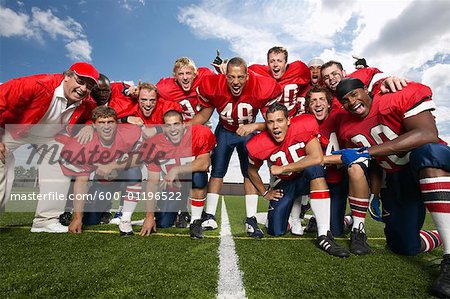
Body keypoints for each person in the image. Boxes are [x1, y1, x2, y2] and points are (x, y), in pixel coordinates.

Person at [334, 78, 449, 296]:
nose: (352, 102)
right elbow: (376, 164)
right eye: (345, 101)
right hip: (397, 179)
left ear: (366, 90)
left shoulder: (393, 97)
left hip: (434, 164)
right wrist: (375, 194)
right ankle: (443, 234)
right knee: (404, 246)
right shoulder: (348, 127)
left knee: (426, 153)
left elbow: (427, 134)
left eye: (355, 94)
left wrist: (369, 151)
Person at [0, 62, 98, 233]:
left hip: (49, 137)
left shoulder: (87, 102)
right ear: (67, 76)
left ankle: (45, 221)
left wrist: (89, 125)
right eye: (80, 81)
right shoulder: (36, 84)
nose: (83, 89)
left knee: (62, 161)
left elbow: (92, 115)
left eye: (88, 86)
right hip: (15, 129)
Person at [190, 57, 282, 237]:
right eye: (231, 77)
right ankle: (209, 216)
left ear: (247, 76)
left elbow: (274, 123)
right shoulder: (213, 85)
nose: (236, 82)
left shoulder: (261, 86)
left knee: (248, 172)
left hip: (247, 132)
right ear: (225, 76)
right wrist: (181, 129)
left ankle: (251, 218)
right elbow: (204, 115)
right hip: (224, 131)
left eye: (240, 77)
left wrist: (254, 126)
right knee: (217, 172)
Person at [246, 103, 350, 257]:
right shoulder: (258, 143)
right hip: (285, 185)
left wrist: (284, 168)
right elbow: (251, 170)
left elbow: (316, 157)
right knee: (275, 230)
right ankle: (291, 212)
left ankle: (323, 234)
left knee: (314, 167)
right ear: (266, 124)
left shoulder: (303, 127)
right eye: (270, 122)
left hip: (305, 179)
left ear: (288, 121)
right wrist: (265, 192)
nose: (275, 126)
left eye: (280, 120)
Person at [305, 86, 371, 255]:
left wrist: (321, 159)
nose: (317, 104)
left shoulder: (340, 116)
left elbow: (351, 155)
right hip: (317, 180)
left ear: (329, 104)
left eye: (321, 100)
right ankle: (313, 217)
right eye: (313, 101)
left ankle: (349, 220)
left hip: (339, 180)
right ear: (308, 105)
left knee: (336, 230)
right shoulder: (304, 123)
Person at [59, 106, 142, 234]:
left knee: (134, 171)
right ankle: (103, 210)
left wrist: (112, 165)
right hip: (101, 183)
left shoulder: (130, 132)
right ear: (94, 125)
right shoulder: (82, 143)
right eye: (101, 123)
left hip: (121, 179)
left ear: (117, 124)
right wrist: (77, 218)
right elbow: (81, 182)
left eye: (110, 122)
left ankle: (125, 219)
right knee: (90, 220)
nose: (106, 126)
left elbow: (140, 157)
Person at [136, 110, 216, 239]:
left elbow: (204, 163)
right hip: (173, 186)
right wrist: (149, 216)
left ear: (183, 124)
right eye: (168, 125)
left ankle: (195, 221)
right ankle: (181, 210)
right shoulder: (154, 144)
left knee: (199, 177)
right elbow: (152, 183)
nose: (173, 129)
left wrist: (176, 170)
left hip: (190, 180)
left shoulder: (198, 133)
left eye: (176, 124)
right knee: (163, 222)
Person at [249, 46, 310, 117]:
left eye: (279, 61)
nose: (275, 65)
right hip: (271, 122)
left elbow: (314, 80)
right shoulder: (258, 72)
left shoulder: (299, 69)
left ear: (286, 62)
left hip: (293, 118)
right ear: (268, 63)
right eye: (272, 61)